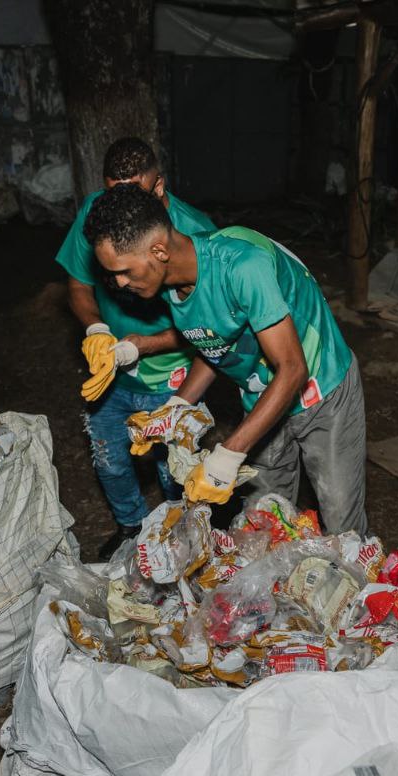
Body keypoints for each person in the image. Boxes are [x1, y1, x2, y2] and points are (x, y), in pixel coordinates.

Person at [82, 183, 368, 536]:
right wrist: (175, 409)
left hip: (322, 391)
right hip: (263, 397)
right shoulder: (171, 285)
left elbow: (293, 369)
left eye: (123, 271)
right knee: (263, 524)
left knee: (342, 524)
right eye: (111, 274)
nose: (119, 282)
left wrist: (229, 453)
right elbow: (214, 344)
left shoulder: (242, 267)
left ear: (157, 251)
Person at [56, 137, 216, 559]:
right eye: (114, 195)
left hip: (172, 375)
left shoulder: (195, 234)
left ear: (158, 188)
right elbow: (77, 283)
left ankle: (181, 539)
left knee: (173, 469)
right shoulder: (98, 217)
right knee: (108, 456)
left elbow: (216, 328)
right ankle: (131, 529)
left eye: (134, 195)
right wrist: (96, 331)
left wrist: (145, 346)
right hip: (111, 370)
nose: (120, 209)